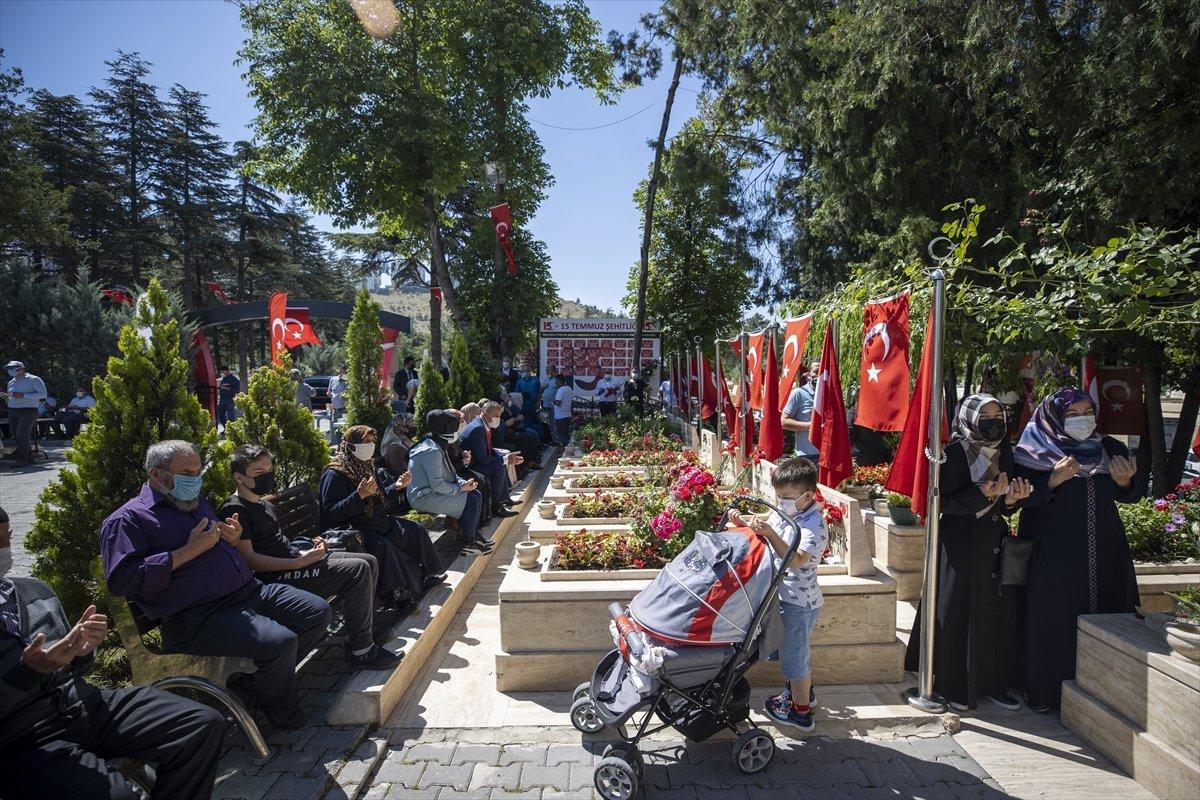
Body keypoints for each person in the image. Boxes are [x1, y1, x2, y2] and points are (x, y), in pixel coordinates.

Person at [101, 440, 331, 730]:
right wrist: (188, 550)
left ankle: (255, 685)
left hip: (249, 592)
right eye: (187, 471)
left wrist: (232, 540)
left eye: (199, 471)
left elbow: (216, 546)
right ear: (156, 474)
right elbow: (122, 580)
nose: (195, 478)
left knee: (316, 612)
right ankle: (283, 716)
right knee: (280, 642)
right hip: (200, 616)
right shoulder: (127, 520)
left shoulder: (196, 503)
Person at [1, 506, 227, 799]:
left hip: (85, 705)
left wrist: (82, 652)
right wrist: (25, 674)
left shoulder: (34, 590)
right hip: (25, 738)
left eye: (6, 540)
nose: (4, 550)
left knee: (201, 725)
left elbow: (74, 666)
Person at [1013, 388, 1141, 711]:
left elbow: (1129, 495)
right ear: (1055, 417)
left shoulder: (1109, 448)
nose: (1082, 419)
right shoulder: (1034, 451)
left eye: (1087, 411)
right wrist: (1052, 481)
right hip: (1053, 558)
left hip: (1106, 554)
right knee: (1052, 622)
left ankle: (1106, 693)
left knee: (1107, 619)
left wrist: (1125, 483)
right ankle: (1046, 693)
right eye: (1072, 414)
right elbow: (1018, 500)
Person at [220, 445, 402, 669]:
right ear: (239, 477)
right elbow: (251, 561)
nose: (268, 475)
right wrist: (298, 562)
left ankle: (361, 636)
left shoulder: (263, 503)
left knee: (368, 561)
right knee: (358, 569)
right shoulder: (235, 510)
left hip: (295, 561)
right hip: (275, 577)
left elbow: (278, 544)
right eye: (259, 473)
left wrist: (309, 549)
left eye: (270, 469)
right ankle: (361, 651)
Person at [904, 394, 1032, 712]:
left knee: (994, 613)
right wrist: (978, 495)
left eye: (998, 416)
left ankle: (993, 683)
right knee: (956, 609)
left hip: (993, 542)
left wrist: (1014, 498)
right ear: (969, 417)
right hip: (958, 543)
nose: (993, 423)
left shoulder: (1005, 450)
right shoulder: (953, 454)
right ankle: (952, 684)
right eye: (984, 416)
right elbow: (938, 500)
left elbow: (1006, 502)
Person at [728, 457, 827, 733]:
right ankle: (803, 693)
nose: (780, 501)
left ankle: (800, 713)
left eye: (786, 497)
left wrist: (770, 532)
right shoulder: (789, 512)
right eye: (778, 495)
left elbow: (796, 559)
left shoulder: (814, 525)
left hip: (799, 601)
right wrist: (745, 523)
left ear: (807, 495)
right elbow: (766, 534)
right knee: (793, 653)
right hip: (782, 597)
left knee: (795, 657)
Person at [318, 426, 445, 606]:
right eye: (364, 442)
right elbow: (332, 512)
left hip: (374, 521)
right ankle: (396, 596)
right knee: (384, 547)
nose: (369, 446)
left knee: (413, 530)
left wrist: (396, 486)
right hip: (352, 528)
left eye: (371, 442)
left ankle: (427, 575)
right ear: (351, 446)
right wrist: (358, 496)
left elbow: (380, 498)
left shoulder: (365, 466)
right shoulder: (335, 473)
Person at [408, 410, 491, 554]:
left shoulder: (438, 444)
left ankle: (472, 535)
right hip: (422, 497)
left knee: (475, 494)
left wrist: (464, 483)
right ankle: (469, 543)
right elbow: (438, 484)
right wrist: (460, 489)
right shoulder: (431, 451)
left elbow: (451, 474)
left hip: (432, 491)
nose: (457, 431)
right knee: (471, 500)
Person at [462, 402, 522, 519]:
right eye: (496, 415)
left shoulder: (484, 425)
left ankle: (504, 498)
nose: (498, 419)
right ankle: (496, 507)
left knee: (503, 458)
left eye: (500, 415)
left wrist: (504, 456)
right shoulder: (477, 429)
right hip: (472, 465)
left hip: (479, 460)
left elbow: (488, 449)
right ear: (485, 414)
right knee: (498, 467)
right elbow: (483, 459)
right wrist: (505, 460)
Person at [3, 360, 47, 466]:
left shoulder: (34, 379)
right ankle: (29, 458)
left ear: (21, 369)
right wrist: (6, 398)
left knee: (21, 434)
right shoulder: (11, 382)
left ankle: (23, 460)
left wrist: (24, 395)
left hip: (28, 411)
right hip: (13, 411)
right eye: (8, 368)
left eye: (12, 368)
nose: (9, 370)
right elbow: (13, 397)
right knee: (15, 434)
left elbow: (43, 394)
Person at [781, 360, 821, 458]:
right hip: (808, 455)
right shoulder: (798, 393)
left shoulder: (830, 395)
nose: (819, 375)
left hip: (828, 455)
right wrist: (809, 425)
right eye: (816, 371)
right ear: (808, 374)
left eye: (821, 372)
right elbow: (784, 422)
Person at [552, 374, 574, 447]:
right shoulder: (569, 389)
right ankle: (568, 449)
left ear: (558, 381)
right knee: (566, 434)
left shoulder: (560, 390)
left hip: (560, 416)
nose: (555, 382)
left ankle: (566, 451)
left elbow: (558, 403)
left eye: (555, 381)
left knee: (562, 435)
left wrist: (552, 401)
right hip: (568, 414)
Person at [216, 366, 240, 430]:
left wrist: (226, 388)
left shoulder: (234, 380)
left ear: (226, 371)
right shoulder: (223, 379)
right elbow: (221, 387)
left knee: (231, 417)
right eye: (221, 372)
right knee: (220, 415)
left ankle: (232, 431)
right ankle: (227, 429)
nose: (222, 373)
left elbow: (236, 391)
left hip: (230, 400)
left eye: (222, 372)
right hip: (222, 400)